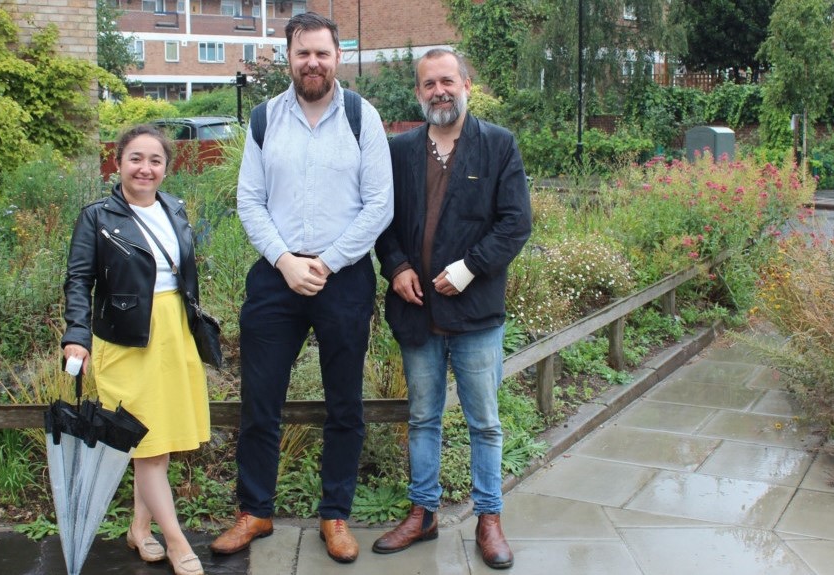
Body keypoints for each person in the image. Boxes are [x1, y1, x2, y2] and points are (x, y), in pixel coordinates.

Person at [208, 11, 393, 565]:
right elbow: (249, 200)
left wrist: (329, 263)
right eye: (302, 52)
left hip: (345, 278)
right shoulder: (266, 119)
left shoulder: (363, 117)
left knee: (345, 405)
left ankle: (334, 515)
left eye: (322, 52)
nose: (312, 62)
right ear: (288, 56)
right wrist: (286, 261)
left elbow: (379, 203)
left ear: (337, 57)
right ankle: (255, 510)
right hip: (275, 278)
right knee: (260, 401)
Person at [372, 49, 532, 570]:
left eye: (447, 81)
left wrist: (470, 267)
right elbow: (383, 223)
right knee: (423, 419)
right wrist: (395, 267)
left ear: (466, 82)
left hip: (476, 314)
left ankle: (489, 518)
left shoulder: (498, 146)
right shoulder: (399, 151)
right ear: (417, 93)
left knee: (484, 422)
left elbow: (514, 223)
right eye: (428, 84)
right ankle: (424, 512)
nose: (439, 91)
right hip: (418, 313)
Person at [61, 125, 210, 575]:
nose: (145, 168)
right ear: (118, 162)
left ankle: (139, 530)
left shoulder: (175, 209)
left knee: (157, 444)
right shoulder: (98, 217)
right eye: (136, 158)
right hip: (127, 337)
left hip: (173, 333)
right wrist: (76, 335)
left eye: (155, 160)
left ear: (166, 167)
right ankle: (177, 541)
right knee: (146, 444)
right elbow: (78, 280)